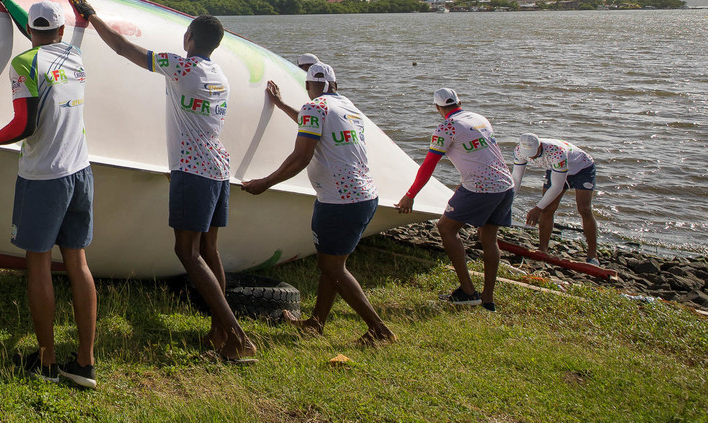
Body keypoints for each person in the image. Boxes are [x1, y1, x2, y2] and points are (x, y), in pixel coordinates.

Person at [71, 0, 256, 363]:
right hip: (219, 170)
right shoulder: (219, 76)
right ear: (215, 45)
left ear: (188, 38)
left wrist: (91, 17)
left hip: (193, 171)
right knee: (208, 250)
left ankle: (237, 337)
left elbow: (125, 48)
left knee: (186, 252)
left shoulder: (181, 67)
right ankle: (219, 330)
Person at [0, 0, 97, 389]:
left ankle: (48, 361)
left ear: (34, 34)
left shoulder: (26, 63)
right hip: (80, 173)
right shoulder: (74, 56)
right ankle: (85, 363)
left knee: (38, 264)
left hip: (44, 179)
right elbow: (38, 35)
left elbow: (25, 124)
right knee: (78, 264)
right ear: (58, 31)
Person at [243, 64, 394, 346]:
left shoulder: (315, 108)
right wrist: (281, 104)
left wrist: (265, 182)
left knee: (333, 266)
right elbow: (310, 121)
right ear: (334, 84)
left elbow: (301, 157)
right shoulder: (347, 107)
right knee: (332, 263)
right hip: (364, 196)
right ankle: (316, 323)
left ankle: (379, 329)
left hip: (339, 201)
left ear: (310, 85)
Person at [395, 87, 514, 310]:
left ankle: (468, 291)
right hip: (505, 184)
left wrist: (410, 195)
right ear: (460, 101)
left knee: (446, 228)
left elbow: (428, 165)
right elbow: (480, 154)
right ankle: (487, 300)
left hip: (481, 188)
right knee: (489, 238)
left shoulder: (446, 127)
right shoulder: (479, 118)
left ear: (437, 108)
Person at [514, 134, 600, 264]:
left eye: (533, 153)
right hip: (555, 168)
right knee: (547, 209)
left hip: (582, 168)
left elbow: (557, 188)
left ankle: (592, 255)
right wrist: (507, 200)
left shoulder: (556, 152)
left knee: (584, 209)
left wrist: (537, 208)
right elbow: (516, 179)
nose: (530, 156)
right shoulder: (519, 150)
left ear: (540, 146)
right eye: (527, 153)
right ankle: (543, 249)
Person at [267, 53, 322, 119]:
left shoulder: (300, 81)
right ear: (307, 67)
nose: (318, 70)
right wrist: (281, 104)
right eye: (315, 67)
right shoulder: (304, 83)